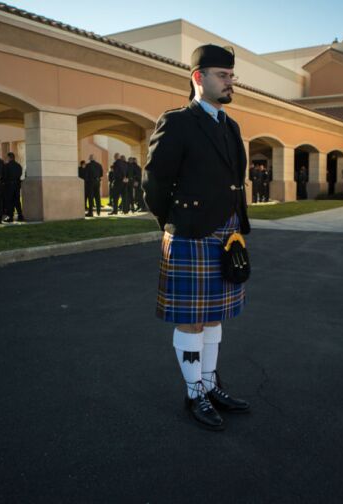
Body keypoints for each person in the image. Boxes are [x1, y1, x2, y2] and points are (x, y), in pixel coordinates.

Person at [143, 44, 251, 431]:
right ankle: (194, 394)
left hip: (226, 234)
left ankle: (208, 383)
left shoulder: (230, 125)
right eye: (223, 76)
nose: (230, 82)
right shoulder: (177, 122)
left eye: (231, 76)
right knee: (191, 320)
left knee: (215, 315)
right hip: (190, 233)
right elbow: (155, 181)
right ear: (198, 78)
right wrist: (172, 223)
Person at [2, 152, 23, 222]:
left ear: (9, 157)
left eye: (7, 157)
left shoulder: (6, 166)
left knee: (9, 201)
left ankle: (10, 217)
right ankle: (20, 216)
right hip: (17, 185)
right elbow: (20, 174)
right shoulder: (18, 166)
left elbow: (5, 176)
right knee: (17, 201)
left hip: (9, 186)